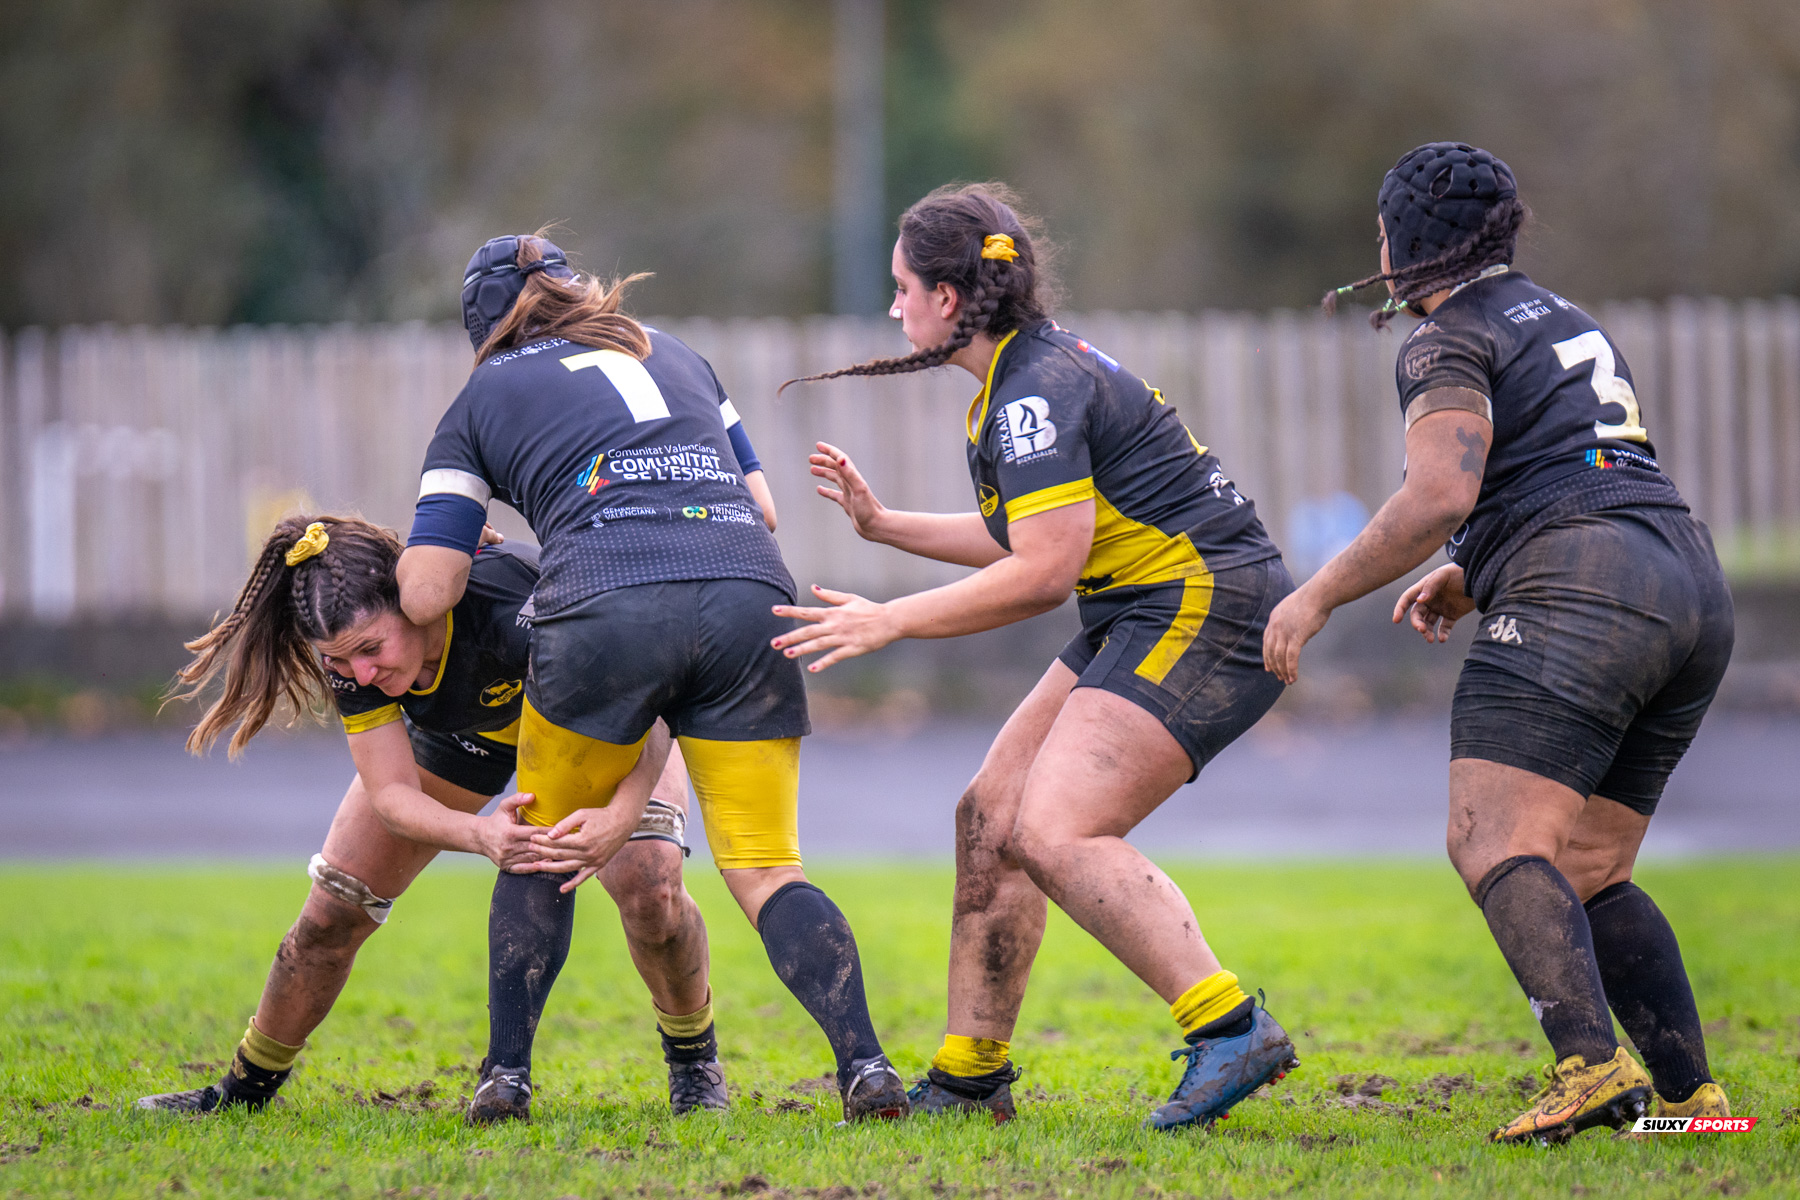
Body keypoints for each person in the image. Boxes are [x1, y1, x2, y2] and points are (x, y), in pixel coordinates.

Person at [777, 183, 1301, 1130]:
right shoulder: (1017, 380)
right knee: (992, 815)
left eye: (901, 288)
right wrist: (884, 525)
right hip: (1141, 605)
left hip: (1206, 604)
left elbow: (1041, 575)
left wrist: (892, 619)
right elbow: (1036, 537)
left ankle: (1228, 1027)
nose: (893, 309)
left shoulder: (1032, 391)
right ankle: (972, 1075)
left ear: (947, 296)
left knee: (1054, 829)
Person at [1264, 143, 1735, 1144]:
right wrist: (1477, 574)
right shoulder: (1562, 315)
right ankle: (1692, 1099)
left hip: (1586, 585)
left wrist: (1315, 597)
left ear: (1404, 244)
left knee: (1492, 836)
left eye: (1382, 234)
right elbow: (1576, 462)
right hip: (1687, 578)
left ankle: (1590, 1066)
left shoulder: (1443, 337)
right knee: (1595, 867)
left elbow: (1441, 492)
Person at [395, 232, 911, 1124]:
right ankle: (865, 1066)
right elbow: (763, 508)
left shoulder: (484, 392)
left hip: (603, 608)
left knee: (544, 842)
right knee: (764, 867)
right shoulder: (674, 353)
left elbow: (430, 589)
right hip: (750, 593)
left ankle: (507, 1078)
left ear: (483, 329)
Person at [135, 514, 727, 1117]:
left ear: (418, 601)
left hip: (603, 723)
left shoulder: (514, 607)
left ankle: (694, 1067)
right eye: (338, 661)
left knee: (649, 881)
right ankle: (240, 1094)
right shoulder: (354, 658)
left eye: (371, 649)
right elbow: (392, 796)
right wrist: (480, 833)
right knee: (331, 915)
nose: (361, 674)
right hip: (471, 737)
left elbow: (658, 702)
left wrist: (625, 813)